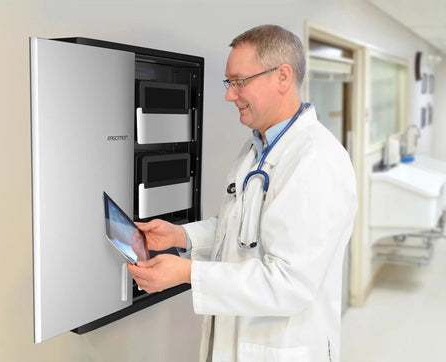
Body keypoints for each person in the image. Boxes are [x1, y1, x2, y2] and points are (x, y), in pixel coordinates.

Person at [128, 24, 357, 362]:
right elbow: (242, 229)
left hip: (281, 347)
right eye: (229, 82)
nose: (229, 95)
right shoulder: (258, 148)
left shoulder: (317, 161)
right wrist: (180, 235)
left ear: (282, 76)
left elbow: (288, 282)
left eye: (239, 82)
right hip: (235, 339)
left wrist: (186, 272)